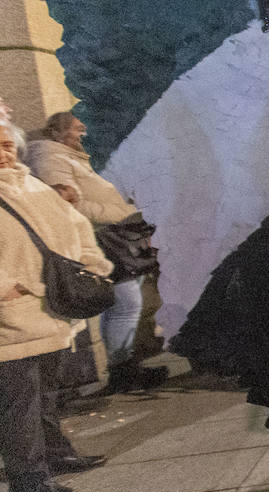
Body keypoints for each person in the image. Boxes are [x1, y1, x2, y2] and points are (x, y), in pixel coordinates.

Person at [0, 121, 111, 492]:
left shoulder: (32, 186)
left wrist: (91, 264)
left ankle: (55, 454)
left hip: (52, 311)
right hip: (11, 319)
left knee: (45, 395)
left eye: (6, 144)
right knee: (19, 405)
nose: (2, 153)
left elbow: (77, 226)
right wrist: (7, 288)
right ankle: (27, 480)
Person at [27, 112, 166, 393]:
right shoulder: (49, 157)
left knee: (125, 302)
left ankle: (124, 368)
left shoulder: (70, 155)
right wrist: (120, 212)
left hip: (109, 237)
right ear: (56, 132)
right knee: (126, 303)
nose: (84, 134)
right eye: (78, 129)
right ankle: (122, 371)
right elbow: (66, 203)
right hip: (100, 238)